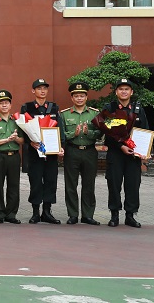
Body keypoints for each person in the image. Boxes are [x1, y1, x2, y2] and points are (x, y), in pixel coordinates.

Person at [103, 77, 149, 228]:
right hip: (116, 154)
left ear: (131, 92)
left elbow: (145, 131)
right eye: (121, 89)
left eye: (126, 89)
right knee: (114, 184)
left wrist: (146, 151)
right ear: (116, 92)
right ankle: (114, 214)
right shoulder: (110, 109)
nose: (124, 91)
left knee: (133, 185)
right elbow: (108, 134)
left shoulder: (138, 109)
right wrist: (120, 146)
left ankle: (130, 215)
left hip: (133, 155)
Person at [21, 78, 62, 224]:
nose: (42, 91)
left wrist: (59, 146)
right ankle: (35, 212)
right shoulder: (27, 108)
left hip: (51, 154)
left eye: (45, 88)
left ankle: (47, 211)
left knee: (51, 181)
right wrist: (29, 142)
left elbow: (59, 129)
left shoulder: (54, 108)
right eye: (39, 88)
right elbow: (22, 131)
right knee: (36, 181)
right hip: (34, 153)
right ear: (33, 91)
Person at [61, 81, 100, 226]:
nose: (79, 98)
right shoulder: (64, 114)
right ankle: (72, 214)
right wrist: (73, 133)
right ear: (72, 98)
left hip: (89, 151)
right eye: (76, 96)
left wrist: (87, 132)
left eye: (82, 95)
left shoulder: (94, 113)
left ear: (86, 97)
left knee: (89, 184)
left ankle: (88, 215)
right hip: (72, 151)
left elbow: (100, 132)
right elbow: (61, 134)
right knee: (71, 185)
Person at [0, 89, 23, 224]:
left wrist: (16, 138)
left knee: (13, 185)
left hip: (14, 156)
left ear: (11, 105)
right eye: (1, 103)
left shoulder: (18, 121)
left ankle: (11, 214)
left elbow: (23, 140)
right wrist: (7, 140)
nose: (4, 105)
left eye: (6, 103)